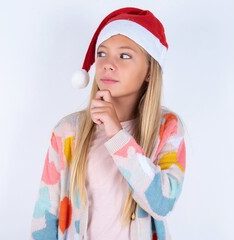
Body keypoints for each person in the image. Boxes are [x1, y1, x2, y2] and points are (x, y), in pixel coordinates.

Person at [29, 7, 186, 240]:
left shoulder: (167, 129)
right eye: (101, 54)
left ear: (149, 72)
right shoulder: (67, 132)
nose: (107, 64)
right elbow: (45, 216)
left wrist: (116, 134)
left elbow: (162, 203)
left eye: (124, 56)